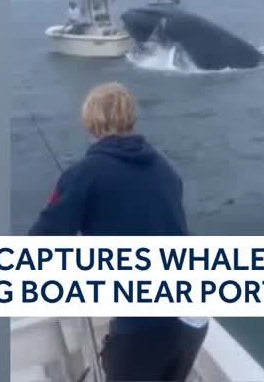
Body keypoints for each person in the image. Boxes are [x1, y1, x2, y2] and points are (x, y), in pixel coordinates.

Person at [29, 82, 208, 382]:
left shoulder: (83, 174)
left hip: (143, 327)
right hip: (191, 320)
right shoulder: (165, 168)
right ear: (131, 118)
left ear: (91, 123)